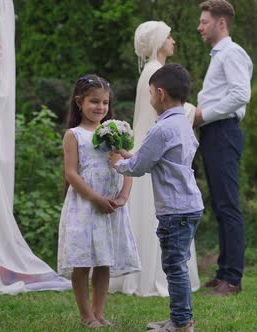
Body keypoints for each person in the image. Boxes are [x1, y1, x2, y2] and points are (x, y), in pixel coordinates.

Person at [109, 64, 203, 332]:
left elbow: (139, 167)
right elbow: (152, 159)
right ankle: (178, 318)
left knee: (174, 267)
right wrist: (131, 157)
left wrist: (117, 163)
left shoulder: (161, 129)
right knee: (177, 264)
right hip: (189, 206)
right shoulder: (182, 124)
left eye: (150, 93)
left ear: (160, 94)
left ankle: (182, 323)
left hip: (175, 210)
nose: (150, 99)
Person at [57, 75, 141, 329]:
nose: (100, 107)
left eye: (105, 102)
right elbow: (71, 173)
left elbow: (126, 166)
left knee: (104, 260)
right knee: (82, 262)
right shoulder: (74, 135)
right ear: (79, 102)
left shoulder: (111, 133)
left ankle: (99, 312)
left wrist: (123, 196)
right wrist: (95, 198)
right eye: (94, 101)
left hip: (110, 207)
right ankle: (86, 315)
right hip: (85, 205)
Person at [193, 0, 253, 296]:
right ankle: (223, 273)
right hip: (216, 133)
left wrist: (203, 114)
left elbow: (241, 94)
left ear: (221, 23)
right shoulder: (219, 56)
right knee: (220, 205)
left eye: (204, 21)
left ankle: (233, 279)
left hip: (223, 132)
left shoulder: (231, 53)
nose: (199, 27)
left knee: (228, 206)